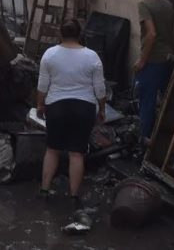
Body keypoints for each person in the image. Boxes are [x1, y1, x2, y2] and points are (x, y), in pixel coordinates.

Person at [37, 17, 106, 208]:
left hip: (56, 107)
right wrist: (102, 109)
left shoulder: (49, 55)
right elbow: (99, 88)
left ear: (61, 33)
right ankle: (74, 196)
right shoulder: (92, 56)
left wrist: (40, 106)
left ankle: (44, 191)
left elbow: (42, 85)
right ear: (79, 34)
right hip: (83, 108)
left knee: (52, 150)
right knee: (76, 153)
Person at [134, 0, 174, 145]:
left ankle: (144, 142)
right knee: (167, 100)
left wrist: (142, 60)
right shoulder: (167, 4)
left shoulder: (144, 5)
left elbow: (151, 34)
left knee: (147, 102)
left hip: (152, 60)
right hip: (168, 58)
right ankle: (166, 139)